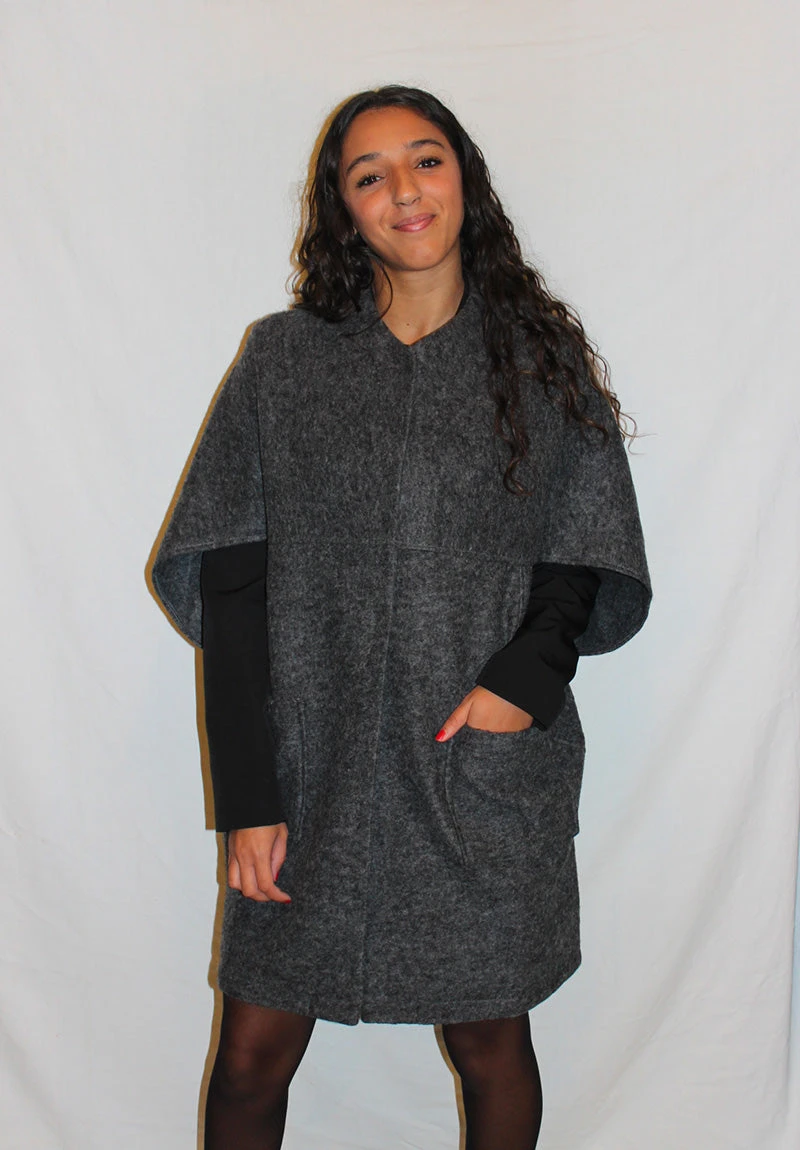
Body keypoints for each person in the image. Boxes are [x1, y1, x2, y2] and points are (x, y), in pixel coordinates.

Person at [149, 84, 651, 1150]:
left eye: (425, 160)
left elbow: (581, 550)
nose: (403, 191)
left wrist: (519, 684)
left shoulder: (539, 363)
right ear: (342, 207)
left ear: (464, 178)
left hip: (475, 770)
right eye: (367, 174)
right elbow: (230, 583)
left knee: (489, 1044)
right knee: (250, 1057)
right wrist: (249, 794)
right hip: (310, 774)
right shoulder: (283, 361)